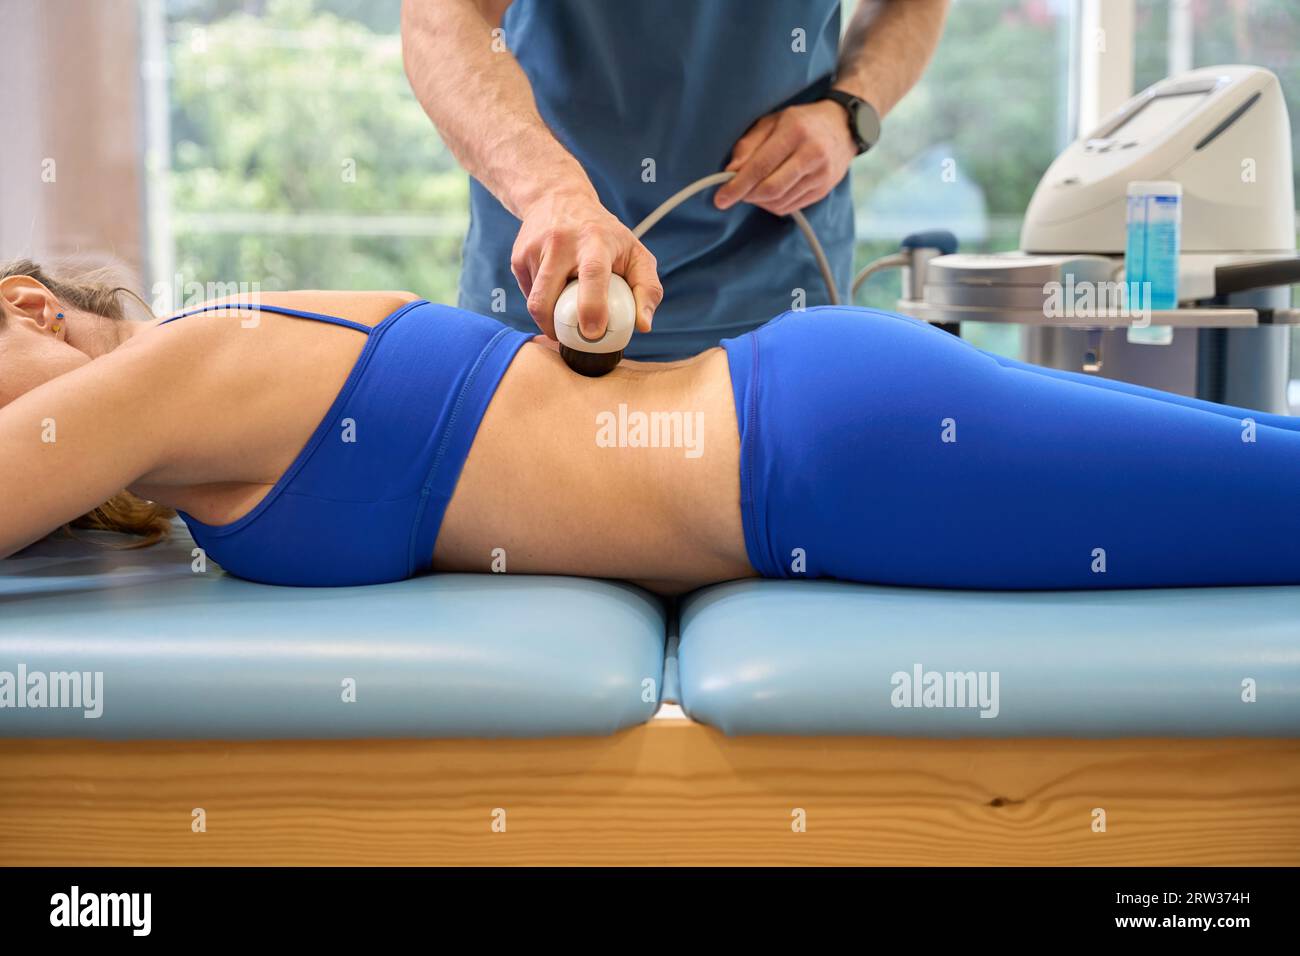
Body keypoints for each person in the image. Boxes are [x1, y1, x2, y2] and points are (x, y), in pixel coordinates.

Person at [4, 259, 1299, 592]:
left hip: (826, 460)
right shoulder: (180, 400)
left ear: (29, 309)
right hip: (815, 428)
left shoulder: (165, 372)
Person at [401, 0, 949, 358]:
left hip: (781, 286)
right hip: (551, 284)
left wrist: (851, 111)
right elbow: (442, 18)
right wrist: (548, 191)